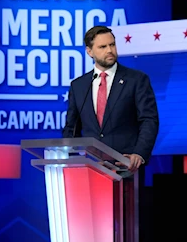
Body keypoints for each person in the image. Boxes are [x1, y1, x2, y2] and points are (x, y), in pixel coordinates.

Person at [63, 25, 159, 173]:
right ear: (89, 52)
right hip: (90, 167)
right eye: (102, 47)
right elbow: (72, 128)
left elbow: (149, 120)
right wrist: (71, 157)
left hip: (126, 166)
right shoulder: (78, 86)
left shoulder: (136, 80)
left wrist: (139, 153)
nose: (109, 50)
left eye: (112, 45)